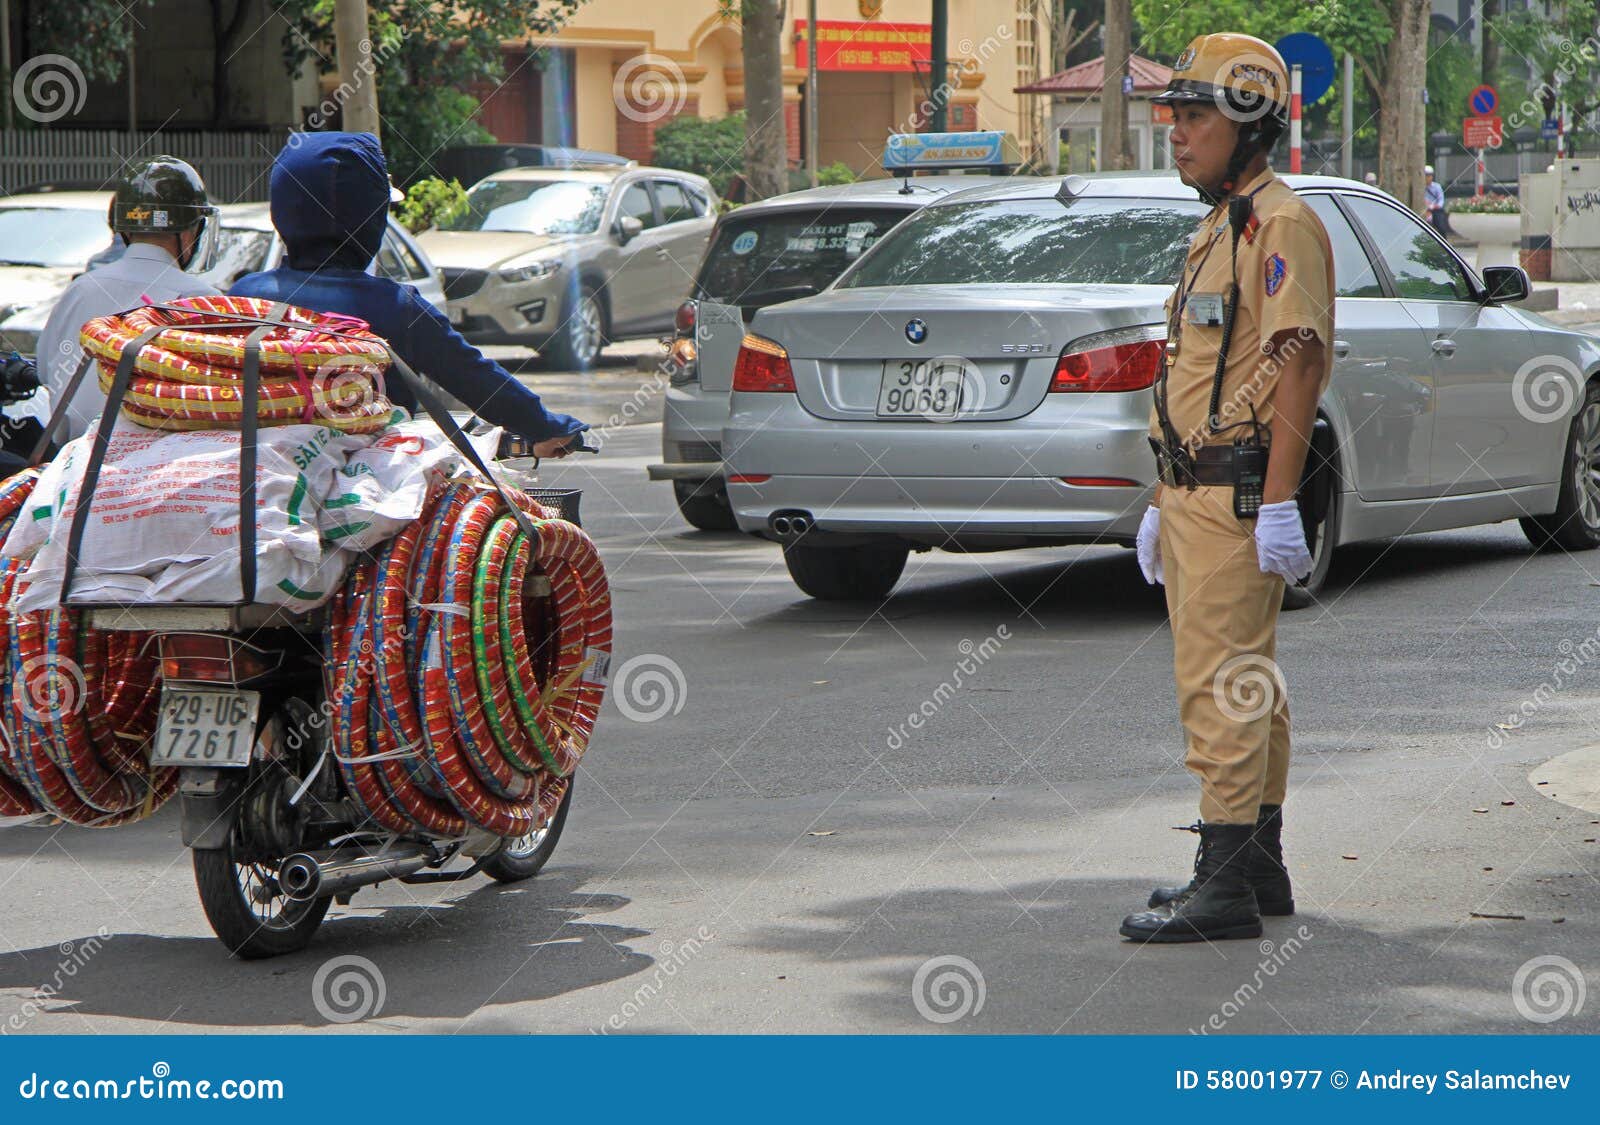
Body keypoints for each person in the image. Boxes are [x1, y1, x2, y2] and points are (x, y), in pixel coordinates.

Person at [1123, 33, 1335, 943]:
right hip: (1198, 493)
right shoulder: (1227, 219)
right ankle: (1256, 864)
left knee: (1221, 683)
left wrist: (1281, 497)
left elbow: (1295, 366)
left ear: (1248, 124)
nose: (1174, 131)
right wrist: (1161, 492)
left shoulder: (1278, 223)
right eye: (1172, 113)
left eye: (1194, 115)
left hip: (1239, 494)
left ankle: (1223, 883)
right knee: (1253, 682)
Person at [230, 132, 585, 456]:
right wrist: (548, 426)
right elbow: (478, 381)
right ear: (370, 217)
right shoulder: (395, 307)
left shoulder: (243, 297)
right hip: (371, 500)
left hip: (249, 488)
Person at [37, 156, 221, 442]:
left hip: (70, 468)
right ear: (189, 231)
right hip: (160, 475)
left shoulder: (80, 289)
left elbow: (45, 372)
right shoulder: (203, 301)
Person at [1423, 165, 1450, 235]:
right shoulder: (1420, 187)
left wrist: (1436, 206)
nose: (1428, 178)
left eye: (1429, 176)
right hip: (1424, 209)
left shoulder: (1437, 186)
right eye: (1426, 175)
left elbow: (1441, 200)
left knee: (1441, 227)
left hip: (1436, 210)